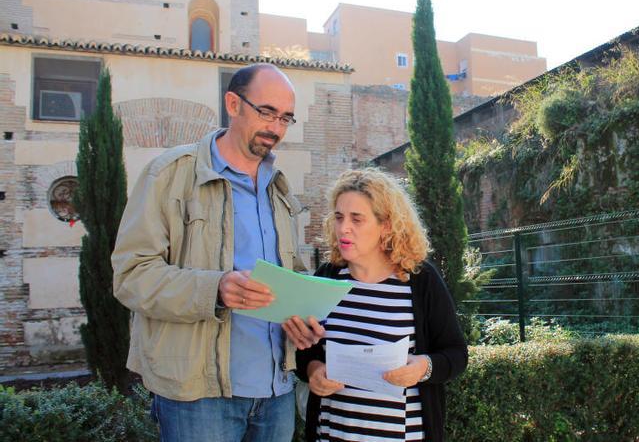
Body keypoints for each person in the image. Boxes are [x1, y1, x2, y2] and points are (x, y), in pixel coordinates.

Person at [112, 63, 323, 442]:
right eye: (266, 112)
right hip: (198, 397)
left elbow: (290, 271)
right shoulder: (168, 175)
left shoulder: (279, 188)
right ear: (232, 103)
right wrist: (216, 289)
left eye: (286, 118)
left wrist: (301, 315)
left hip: (276, 390)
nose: (275, 128)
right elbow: (131, 276)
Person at [288, 168, 468, 442]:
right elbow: (305, 353)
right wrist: (313, 372)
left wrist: (423, 367)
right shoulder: (327, 276)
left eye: (356, 219)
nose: (343, 227)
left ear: (386, 225)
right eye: (339, 217)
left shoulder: (420, 281)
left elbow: (456, 355)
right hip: (331, 434)